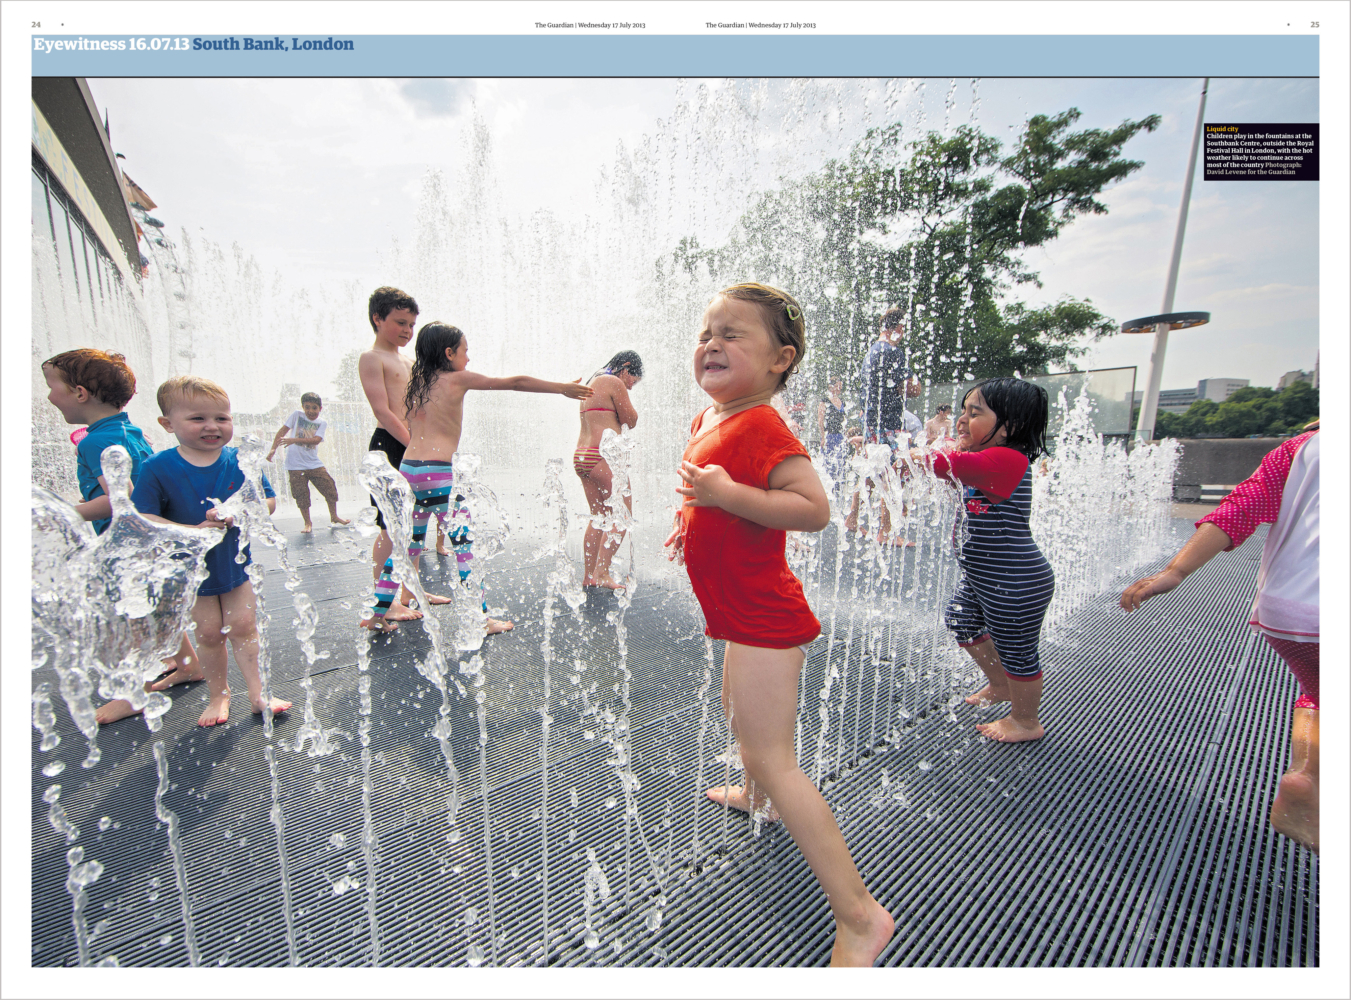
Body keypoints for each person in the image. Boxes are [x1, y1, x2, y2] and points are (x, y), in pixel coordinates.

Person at [664, 282, 894, 967]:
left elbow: (811, 508)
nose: (712, 343)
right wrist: (691, 523)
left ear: (778, 359)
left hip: (764, 614)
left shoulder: (763, 423)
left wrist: (725, 495)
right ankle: (755, 796)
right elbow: (712, 498)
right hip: (740, 610)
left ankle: (859, 917)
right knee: (741, 717)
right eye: (707, 331)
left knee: (770, 750)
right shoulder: (712, 418)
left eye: (733, 334)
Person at [1120, 423, 1320, 853]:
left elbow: (1235, 511)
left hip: (1287, 611)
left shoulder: (1300, 448)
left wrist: (1174, 572)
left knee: (1317, 693)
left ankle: (1308, 775)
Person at [365, 321, 593, 631]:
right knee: (465, 547)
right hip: (438, 474)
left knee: (408, 547)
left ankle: (378, 614)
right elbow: (515, 383)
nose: (468, 359)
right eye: (465, 351)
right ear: (449, 353)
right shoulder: (456, 379)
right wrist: (561, 388)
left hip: (410, 470)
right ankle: (480, 620)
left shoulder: (415, 382)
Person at [41, 348, 199, 725]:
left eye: (52, 386)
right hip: (148, 536)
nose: (48, 396)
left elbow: (120, 497)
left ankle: (133, 695)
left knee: (130, 617)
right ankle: (189, 664)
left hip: (125, 543)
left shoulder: (94, 441)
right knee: (155, 607)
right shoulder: (128, 430)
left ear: (80, 394)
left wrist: (66, 513)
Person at [132, 375, 292, 727]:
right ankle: (218, 695)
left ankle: (258, 693)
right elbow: (143, 518)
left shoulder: (241, 461)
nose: (212, 426)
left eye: (221, 418)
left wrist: (240, 512)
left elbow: (267, 500)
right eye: (197, 418)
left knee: (244, 626)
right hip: (190, 569)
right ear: (167, 424)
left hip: (235, 566)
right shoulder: (156, 468)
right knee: (207, 633)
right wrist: (193, 532)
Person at [915, 377, 1054, 743]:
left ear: (1009, 427)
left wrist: (918, 457)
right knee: (961, 620)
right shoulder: (984, 460)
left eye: (974, 413)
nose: (962, 420)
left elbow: (943, 465)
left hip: (1015, 580)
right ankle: (999, 684)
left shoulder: (1007, 458)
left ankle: (1026, 721)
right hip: (982, 575)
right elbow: (950, 475)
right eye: (962, 411)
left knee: (1018, 650)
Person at [358, 286, 437, 628]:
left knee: (418, 521)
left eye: (411, 325)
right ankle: (384, 602)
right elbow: (384, 411)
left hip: (417, 443)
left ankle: (411, 590)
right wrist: (412, 446)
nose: (407, 331)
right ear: (378, 319)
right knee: (390, 525)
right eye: (400, 323)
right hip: (392, 445)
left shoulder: (409, 360)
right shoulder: (372, 358)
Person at [846, 307, 922, 543]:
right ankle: (886, 532)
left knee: (869, 471)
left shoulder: (872, 351)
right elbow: (911, 388)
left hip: (871, 419)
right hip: (888, 421)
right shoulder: (893, 352)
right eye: (904, 328)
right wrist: (914, 381)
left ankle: (852, 518)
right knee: (892, 472)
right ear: (898, 328)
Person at [573, 350, 642, 589]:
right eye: (633, 379)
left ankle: (589, 576)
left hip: (583, 456)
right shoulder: (613, 381)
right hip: (602, 457)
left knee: (599, 517)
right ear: (625, 367)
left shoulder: (593, 382)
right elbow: (630, 420)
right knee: (622, 516)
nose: (631, 386)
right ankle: (602, 573)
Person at [266, 391, 350, 533]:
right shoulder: (296, 415)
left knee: (329, 488)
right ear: (303, 407)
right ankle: (307, 523)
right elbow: (282, 431)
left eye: (314, 408)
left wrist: (294, 440)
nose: (310, 411)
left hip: (313, 463)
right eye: (307, 407)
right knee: (301, 494)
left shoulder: (321, 423)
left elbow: (316, 440)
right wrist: (273, 449)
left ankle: (334, 516)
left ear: (320, 409)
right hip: (295, 465)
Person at [817, 376, 848, 479]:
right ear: (831, 387)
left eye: (841, 386)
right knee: (829, 466)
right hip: (829, 437)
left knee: (841, 465)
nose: (839, 388)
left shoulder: (842, 401)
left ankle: (839, 491)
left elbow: (844, 421)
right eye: (838, 386)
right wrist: (823, 437)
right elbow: (820, 420)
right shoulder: (824, 401)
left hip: (840, 437)